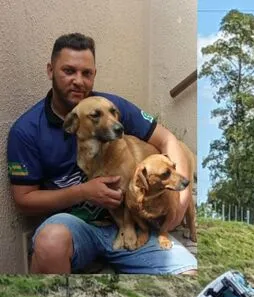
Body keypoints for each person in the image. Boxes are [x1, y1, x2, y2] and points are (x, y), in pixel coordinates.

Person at [5, 32, 197, 275]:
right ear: (50, 70)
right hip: (75, 225)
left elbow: (169, 140)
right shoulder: (27, 131)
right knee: (50, 243)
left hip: (136, 222)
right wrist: (83, 192)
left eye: (86, 73)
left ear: (94, 75)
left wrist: (181, 200)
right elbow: (24, 200)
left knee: (187, 273)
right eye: (69, 71)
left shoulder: (111, 107)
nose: (78, 80)